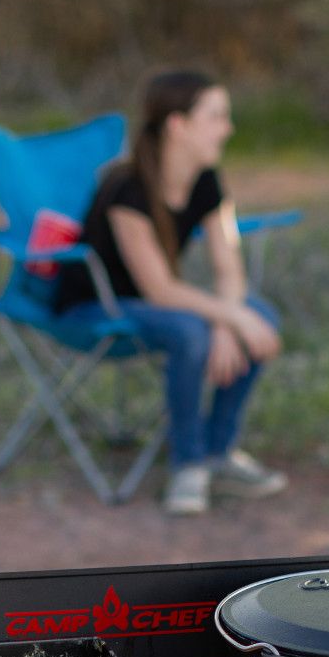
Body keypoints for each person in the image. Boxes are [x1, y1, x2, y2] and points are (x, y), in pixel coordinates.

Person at [53, 69, 287, 516]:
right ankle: (189, 464)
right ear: (178, 125)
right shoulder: (127, 188)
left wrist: (230, 318)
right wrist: (227, 318)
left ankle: (217, 452)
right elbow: (159, 290)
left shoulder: (208, 181)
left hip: (155, 307)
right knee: (191, 332)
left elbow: (228, 266)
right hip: (93, 308)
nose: (228, 128)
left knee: (262, 317)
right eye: (217, 116)